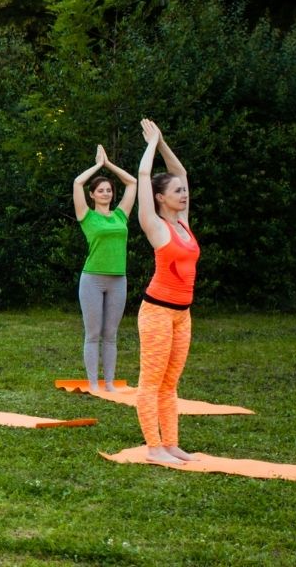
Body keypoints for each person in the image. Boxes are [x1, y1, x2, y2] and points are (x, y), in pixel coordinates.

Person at [133, 118, 202, 465]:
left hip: (182, 314)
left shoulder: (183, 224)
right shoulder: (156, 226)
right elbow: (144, 178)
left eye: (183, 191)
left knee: (170, 382)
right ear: (161, 198)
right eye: (176, 192)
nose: (183, 194)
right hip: (157, 311)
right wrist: (149, 147)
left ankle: (171, 444)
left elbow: (182, 171)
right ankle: (154, 448)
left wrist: (162, 142)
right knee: (151, 381)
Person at [72, 144, 137, 392]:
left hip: (118, 279)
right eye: (101, 190)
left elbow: (132, 183)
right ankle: (93, 383)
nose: (106, 193)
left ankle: (109, 383)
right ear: (92, 195)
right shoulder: (87, 216)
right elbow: (77, 183)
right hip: (92, 279)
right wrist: (97, 166)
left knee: (110, 333)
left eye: (109, 190)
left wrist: (109, 164)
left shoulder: (121, 215)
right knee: (93, 333)